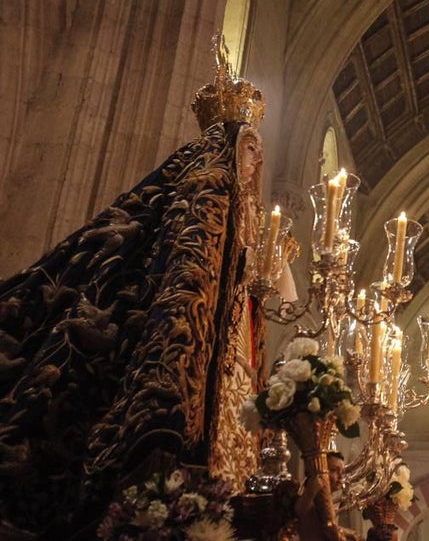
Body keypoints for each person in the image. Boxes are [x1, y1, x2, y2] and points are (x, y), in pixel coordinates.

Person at [0, 73, 267, 537]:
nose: (254, 163)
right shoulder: (203, 193)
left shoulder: (237, 217)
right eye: (249, 150)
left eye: (257, 154)